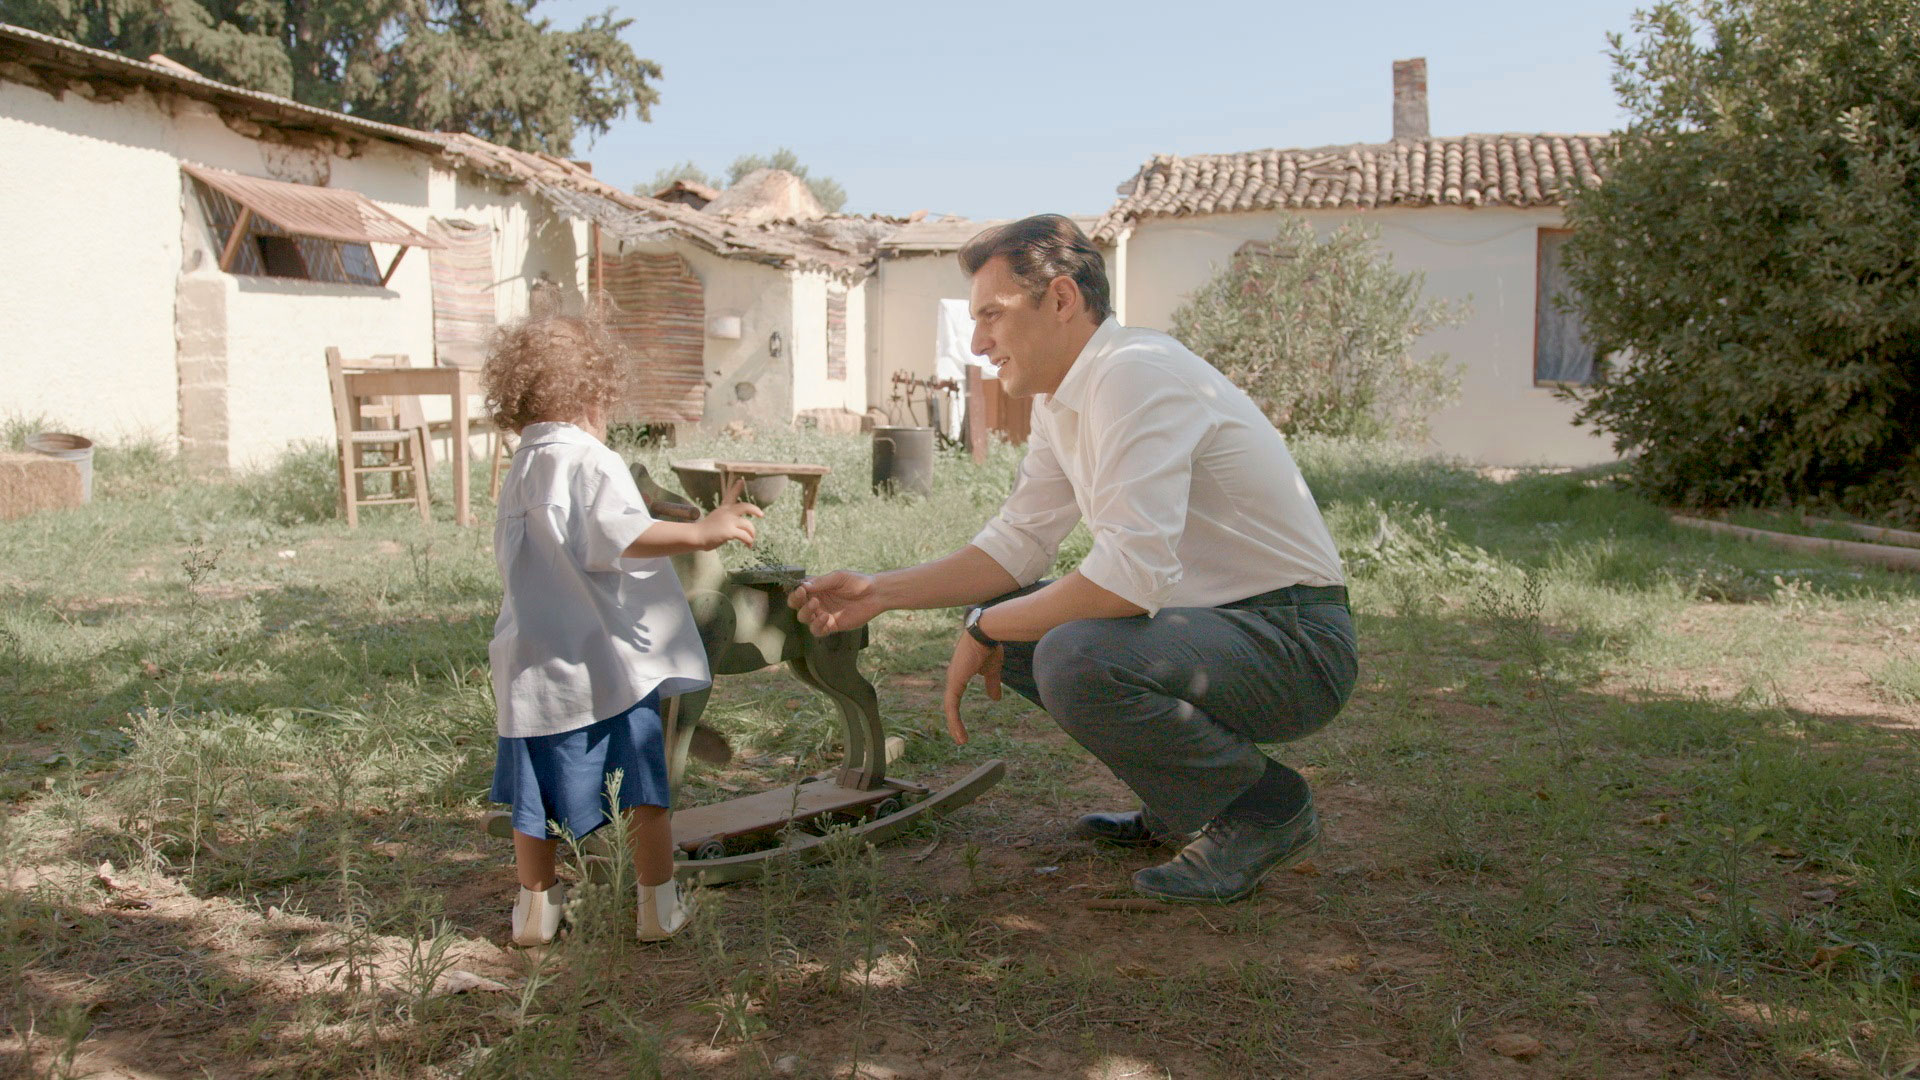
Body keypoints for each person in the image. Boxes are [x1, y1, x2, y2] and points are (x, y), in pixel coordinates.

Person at [790, 215, 1356, 904]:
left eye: (992, 315)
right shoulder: (1067, 401)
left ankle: (1265, 809)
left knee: (1068, 651)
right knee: (1017, 621)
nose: (978, 343)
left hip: (1295, 641)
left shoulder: (1134, 375)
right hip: (1218, 628)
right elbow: (1016, 546)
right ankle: (1185, 803)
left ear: (1060, 300)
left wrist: (983, 630)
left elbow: (1127, 579)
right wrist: (880, 591)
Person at [483, 316, 763, 945]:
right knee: (644, 790)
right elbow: (619, 535)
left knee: (535, 803)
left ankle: (535, 911)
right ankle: (657, 908)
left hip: (531, 664)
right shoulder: (588, 458)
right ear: (593, 397)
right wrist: (700, 531)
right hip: (602, 666)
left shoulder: (522, 466)